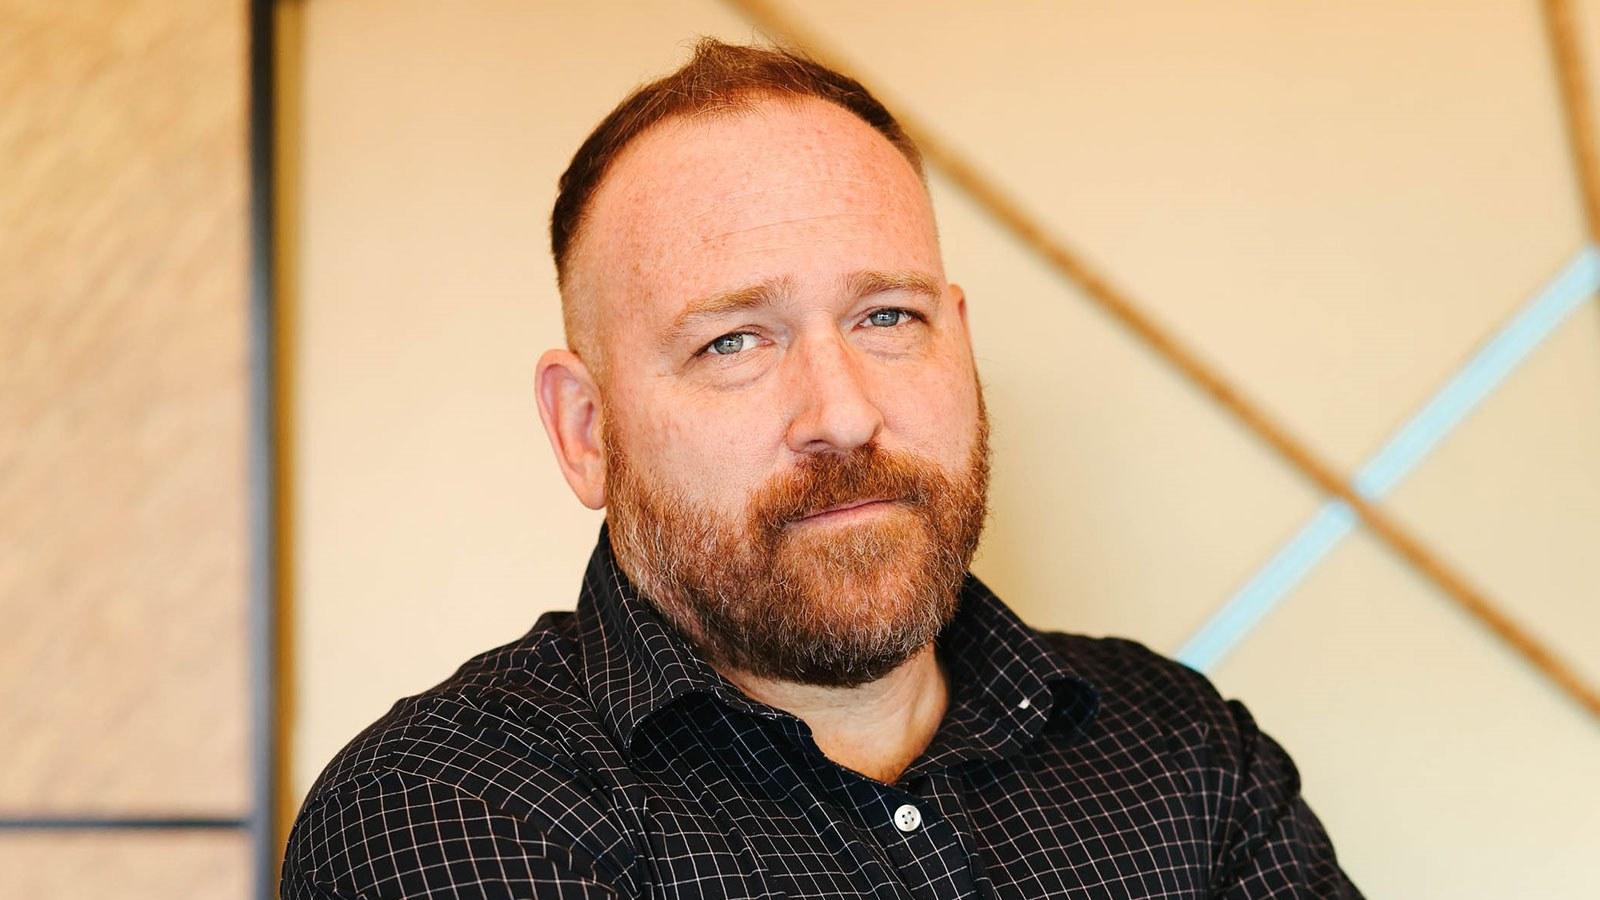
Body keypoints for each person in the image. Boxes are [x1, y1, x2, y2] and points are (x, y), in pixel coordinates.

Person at [281, 39, 1361, 899]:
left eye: (888, 316)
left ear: (962, 345)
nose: (843, 415)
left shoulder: (1182, 755)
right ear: (585, 430)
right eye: (732, 342)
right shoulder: (452, 811)